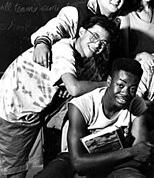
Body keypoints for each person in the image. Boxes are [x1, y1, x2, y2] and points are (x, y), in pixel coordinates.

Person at [0, 15, 117, 178]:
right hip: (15, 107)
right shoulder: (64, 49)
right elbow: (75, 88)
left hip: (37, 111)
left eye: (104, 43)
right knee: (14, 171)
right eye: (94, 36)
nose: (98, 45)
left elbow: (95, 94)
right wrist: (108, 84)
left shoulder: (89, 62)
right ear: (81, 31)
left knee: (30, 166)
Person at [34, 58, 152, 178]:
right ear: (109, 80)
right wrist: (130, 152)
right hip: (76, 158)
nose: (126, 93)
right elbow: (77, 162)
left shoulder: (136, 103)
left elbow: (142, 153)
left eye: (132, 88)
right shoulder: (82, 105)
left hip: (118, 161)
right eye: (120, 85)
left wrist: (95, 165)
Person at [31, 0, 130, 78]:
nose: (116, 0)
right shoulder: (75, 12)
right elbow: (55, 27)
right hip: (64, 76)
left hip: (94, 80)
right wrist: (42, 43)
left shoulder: (121, 20)